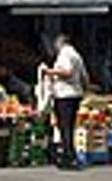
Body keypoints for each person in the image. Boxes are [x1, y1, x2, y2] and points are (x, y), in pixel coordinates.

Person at [38, 34, 88, 170]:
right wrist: (84, 90)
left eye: (56, 44)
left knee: (64, 127)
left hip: (64, 95)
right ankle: (70, 155)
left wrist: (49, 72)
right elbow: (84, 76)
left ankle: (69, 157)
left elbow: (67, 72)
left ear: (61, 43)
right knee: (69, 127)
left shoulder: (65, 55)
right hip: (75, 94)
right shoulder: (77, 55)